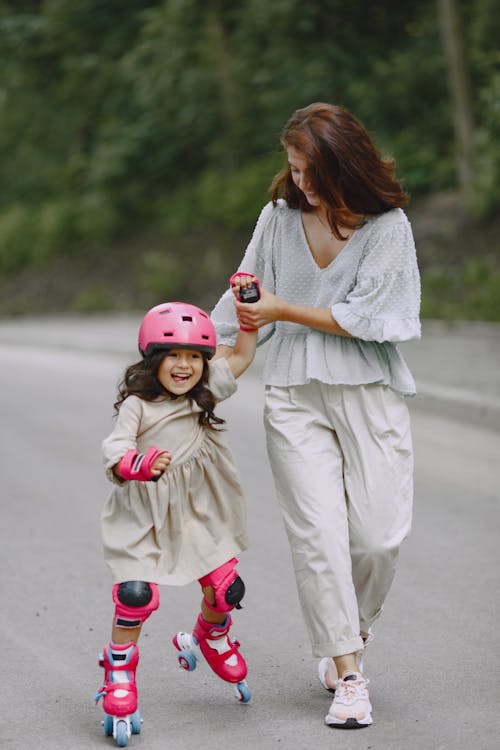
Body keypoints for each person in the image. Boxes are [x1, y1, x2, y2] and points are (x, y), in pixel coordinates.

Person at [211, 102, 421, 729]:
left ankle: (347, 629)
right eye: (294, 169)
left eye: (309, 171)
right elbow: (240, 303)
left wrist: (283, 309)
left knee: (379, 538)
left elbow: (374, 319)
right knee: (318, 536)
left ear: (343, 164)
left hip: (368, 392)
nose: (299, 182)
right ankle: (348, 673)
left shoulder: (388, 228)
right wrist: (188, 359)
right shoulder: (277, 221)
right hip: (294, 395)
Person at [94, 276, 258, 743]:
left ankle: (211, 633)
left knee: (227, 589)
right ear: (153, 359)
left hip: (199, 512)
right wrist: (136, 463)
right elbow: (115, 446)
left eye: (194, 357)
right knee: (135, 595)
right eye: (174, 355)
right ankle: (119, 673)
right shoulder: (138, 406)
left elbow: (243, 355)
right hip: (142, 516)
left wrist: (248, 308)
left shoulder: (206, 392)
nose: (185, 366)